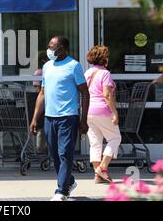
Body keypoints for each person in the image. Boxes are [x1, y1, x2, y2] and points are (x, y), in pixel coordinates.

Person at [30, 36, 89, 201]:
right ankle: (69, 181)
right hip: (50, 117)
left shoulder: (73, 66)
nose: (49, 49)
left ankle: (61, 191)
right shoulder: (47, 67)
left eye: (52, 46)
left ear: (62, 48)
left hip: (68, 117)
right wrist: (35, 118)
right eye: (48, 46)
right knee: (54, 155)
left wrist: (84, 120)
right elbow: (42, 93)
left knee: (65, 154)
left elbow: (85, 92)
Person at [84, 45, 121, 184]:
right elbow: (106, 94)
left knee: (95, 143)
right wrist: (114, 112)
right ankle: (103, 167)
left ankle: (98, 175)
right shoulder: (105, 73)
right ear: (104, 58)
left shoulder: (87, 73)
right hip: (102, 110)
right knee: (115, 138)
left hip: (88, 111)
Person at [32, 52, 49, 154]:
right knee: (41, 128)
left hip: (49, 104)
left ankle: (44, 149)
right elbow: (38, 90)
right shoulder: (39, 72)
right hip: (44, 104)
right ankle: (40, 150)